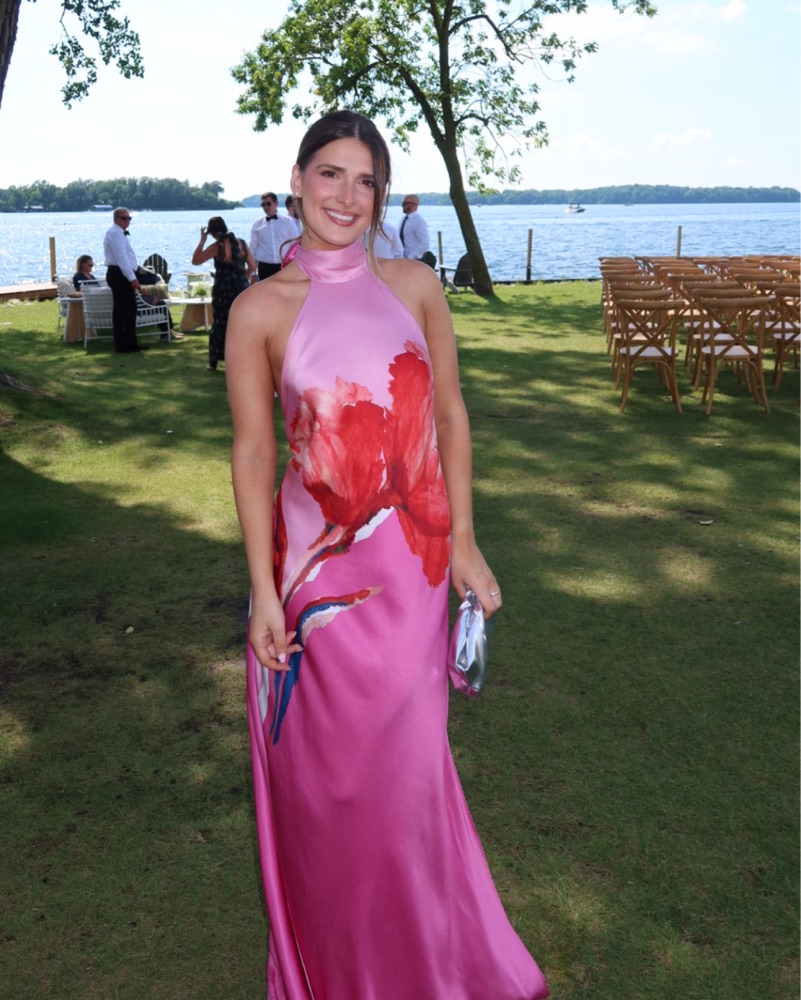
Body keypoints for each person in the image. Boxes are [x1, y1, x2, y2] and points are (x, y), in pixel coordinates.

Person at [225, 110, 548, 1000]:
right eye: (330, 174)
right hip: (310, 591)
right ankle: (338, 972)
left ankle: (426, 967)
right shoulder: (258, 309)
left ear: (381, 195)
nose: (347, 196)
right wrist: (261, 593)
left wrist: (466, 543)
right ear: (297, 180)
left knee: (404, 784)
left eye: (365, 181)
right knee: (325, 793)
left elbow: (448, 416)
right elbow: (254, 453)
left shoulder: (413, 286)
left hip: (411, 573)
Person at [191, 216, 256, 371]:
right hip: (241, 288)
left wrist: (202, 241)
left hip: (223, 290)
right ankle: (243, 357)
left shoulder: (217, 246)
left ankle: (213, 361)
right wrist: (243, 276)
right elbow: (253, 266)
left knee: (220, 324)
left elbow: (196, 260)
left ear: (213, 233)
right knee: (241, 324)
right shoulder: (241, 243)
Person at [103, 207, 146, 352]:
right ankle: (123, 345)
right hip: (119, 274)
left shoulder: (120, 233)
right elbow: (121, 258)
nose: (127, 221)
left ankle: (130, 343)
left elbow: (127, 257)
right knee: (123, 310)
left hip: (122, 273)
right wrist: (132, 278)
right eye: (124, 218)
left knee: (129, 310)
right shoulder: (115, 233)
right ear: (116, 219)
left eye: (129, 218)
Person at [249, 191, 299, 280]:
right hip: (264, 268)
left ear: (276, 203)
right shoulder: (257, 224)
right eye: (263, 205)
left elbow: (295, 246)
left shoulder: (288, 222)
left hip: (284, 267)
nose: (266, 207)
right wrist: (252, 272)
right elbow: (253, 249)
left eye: (268, 204)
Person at [398, 192, 430, 261]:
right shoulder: (404, 219)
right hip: (402, 259)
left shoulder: (419, 221)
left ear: (414, 204)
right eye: (402, 203)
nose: (402, 206)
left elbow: (425, 243)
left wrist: (410, 258)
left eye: (405, 204)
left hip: (414, 260)